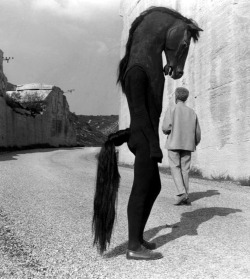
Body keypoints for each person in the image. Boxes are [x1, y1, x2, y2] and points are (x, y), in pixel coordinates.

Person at [162, 87, 201, 205]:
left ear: (176, 97)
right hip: (188, 144)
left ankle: (181, 193)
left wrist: (168, 132)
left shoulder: (171, 109)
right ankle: (185, 196)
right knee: (185, 170)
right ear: (186, 97)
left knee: (175, 167)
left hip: (174, 142)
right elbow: (197, 132)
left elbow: (165, 128)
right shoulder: (192, 112)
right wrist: (194, 142)